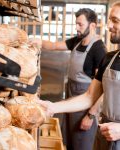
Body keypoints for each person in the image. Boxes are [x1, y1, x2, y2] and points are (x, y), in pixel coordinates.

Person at [37, 2, 120, 150]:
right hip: (103, 135)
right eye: (109, 20)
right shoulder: (109, 58)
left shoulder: (98, 48)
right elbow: (89, 96)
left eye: (115, 20)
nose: (109, 26)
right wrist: (53, 106)